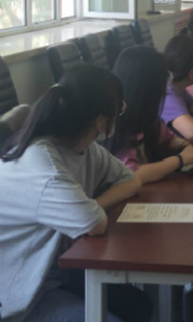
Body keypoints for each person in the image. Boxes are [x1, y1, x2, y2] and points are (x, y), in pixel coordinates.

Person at [0, 65, 148, 322]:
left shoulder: (85, 148)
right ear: (100, 121)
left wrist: (89, 205)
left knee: (138, 305)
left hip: (51, 271)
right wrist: (86, 212)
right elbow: (95, 224)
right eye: (119, 109)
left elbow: (131, 181)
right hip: (20, 293)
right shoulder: (42, 164)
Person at [107, 46, 193, 185]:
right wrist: (180, 160)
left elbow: (167, 138)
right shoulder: (116, 122)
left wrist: (185, 145)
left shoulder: (145, 115)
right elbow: (132, 173)